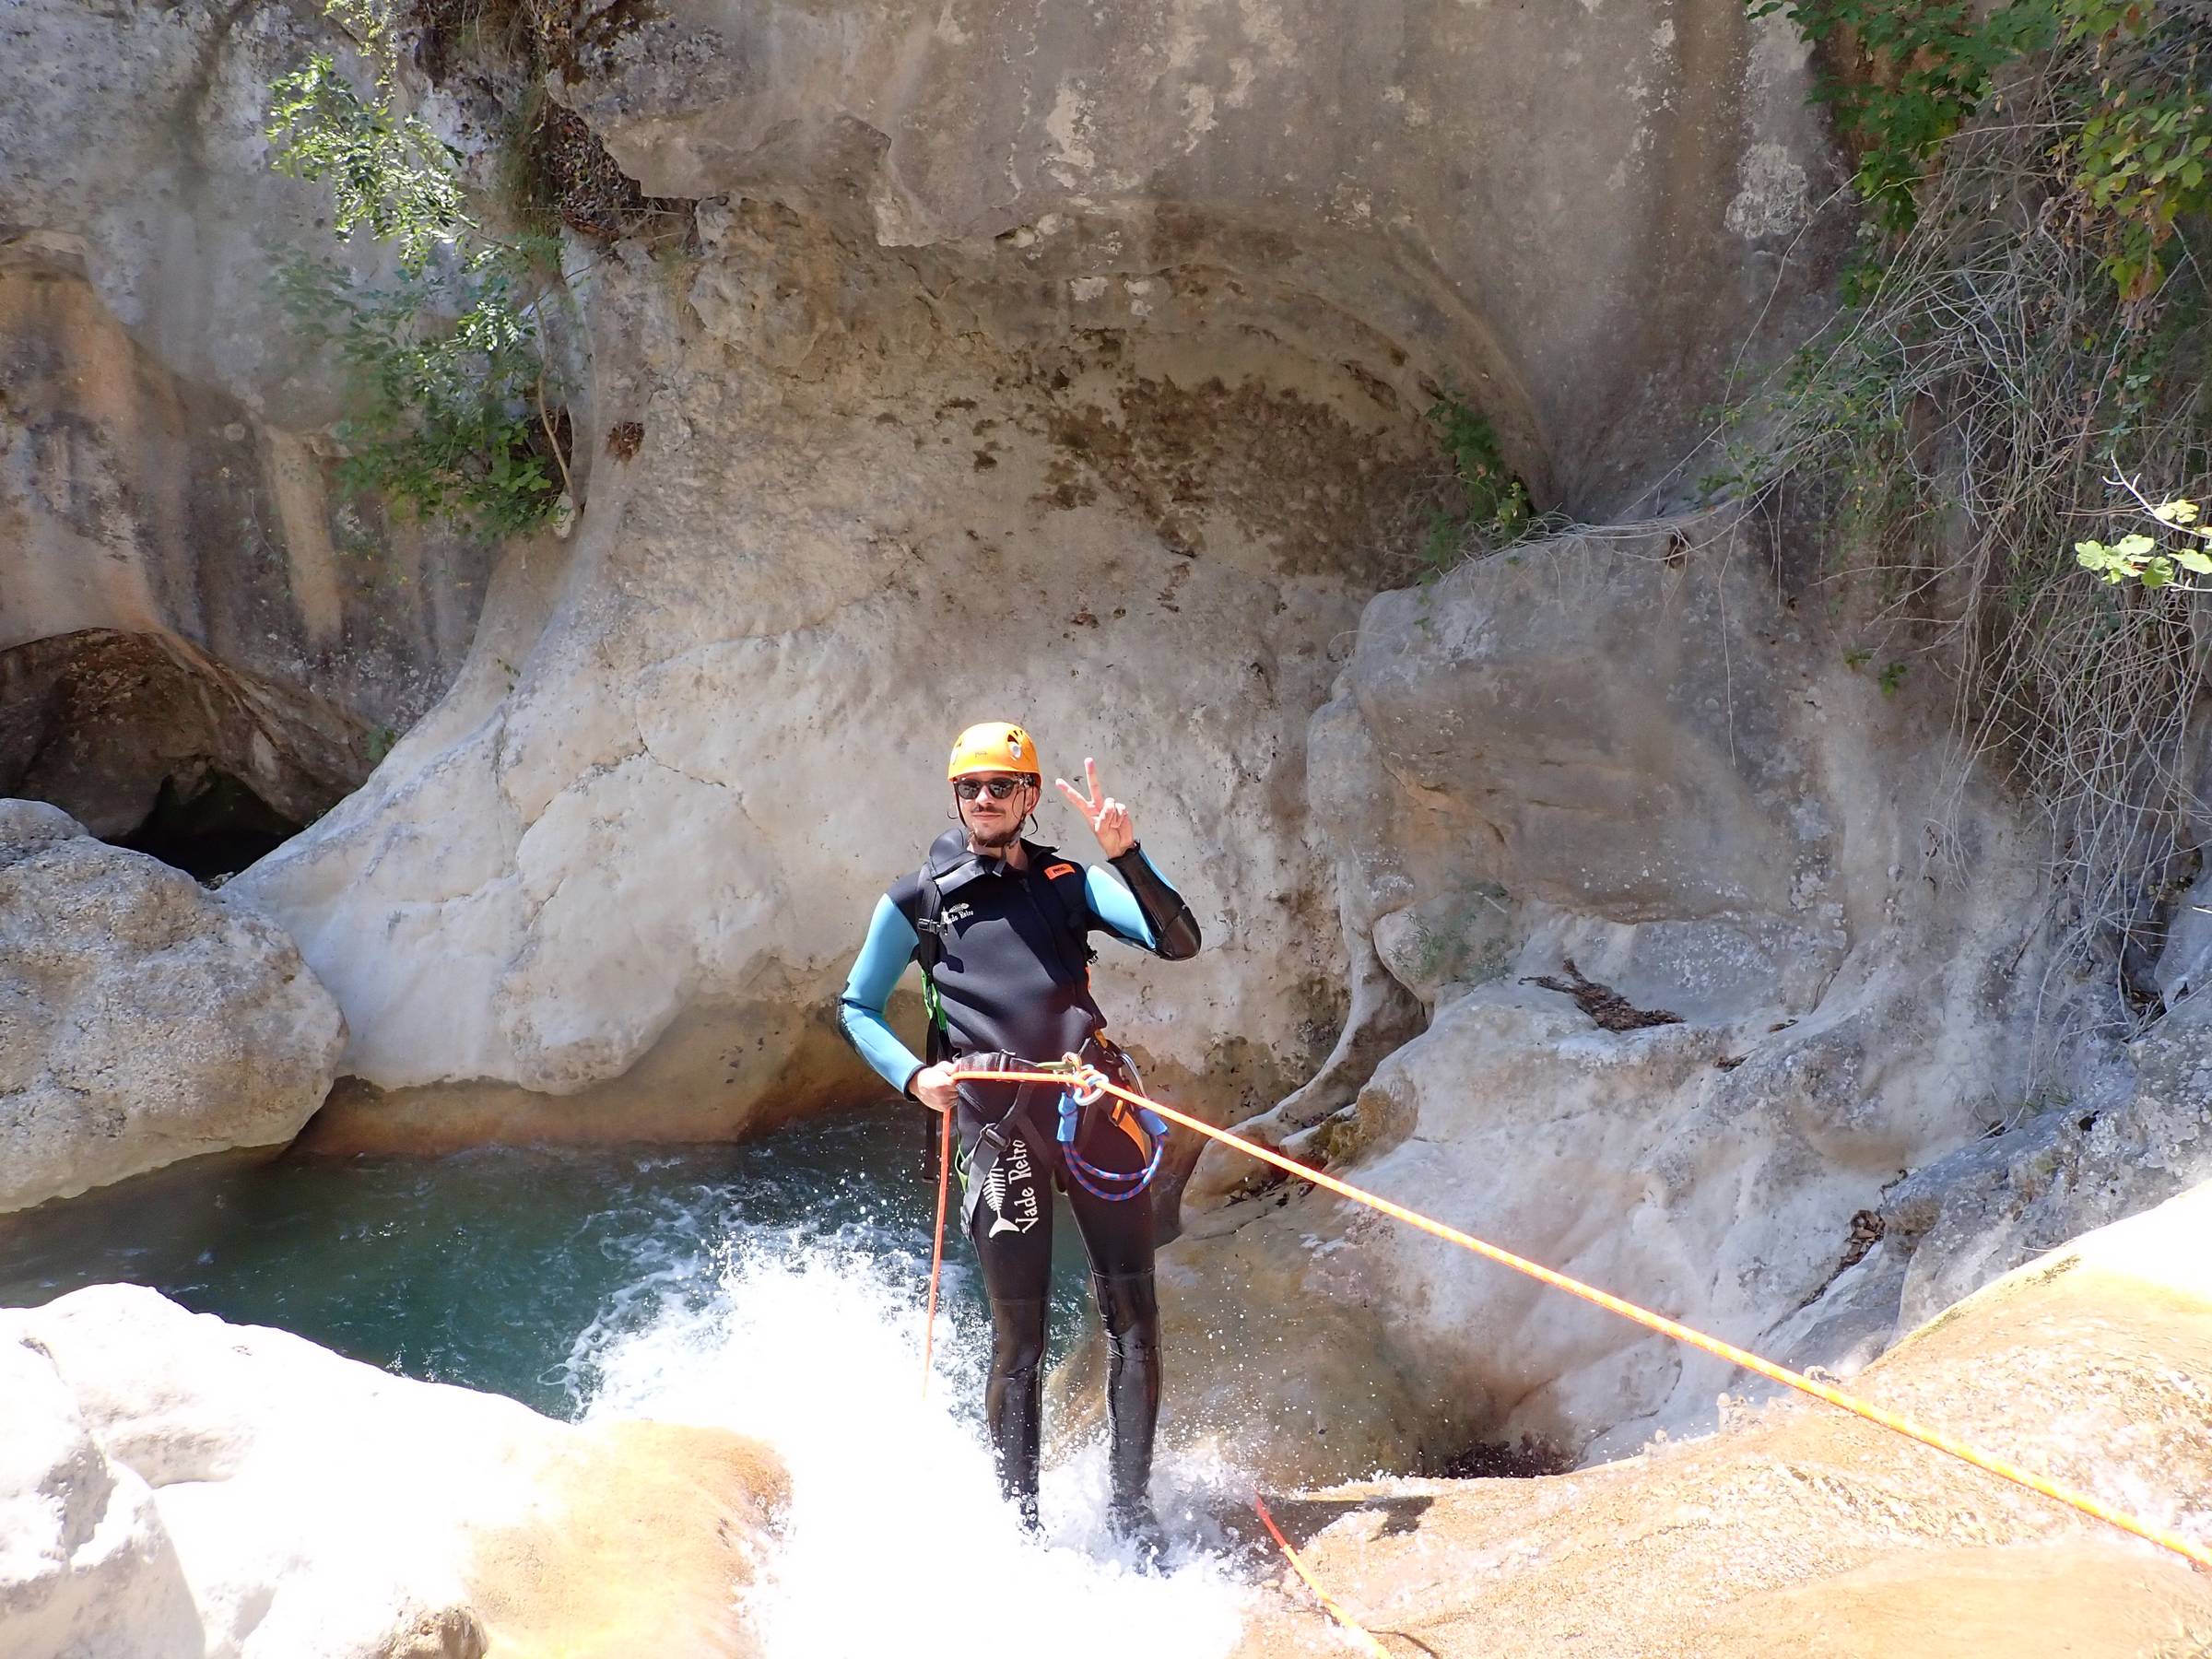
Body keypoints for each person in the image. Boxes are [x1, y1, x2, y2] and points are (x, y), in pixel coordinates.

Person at [837, 721, 1202, 1550]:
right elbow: (856, 1006)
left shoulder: (1072, 882)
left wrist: (1128, 855)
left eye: (1002, 786)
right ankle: (1022, 1536)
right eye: (970, 787)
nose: (985, 800)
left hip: (1093, 1105)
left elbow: (1179, 942)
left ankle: (1132, 1514)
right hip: (999, 1128)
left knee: (1134, 1316)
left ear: (1030, 795)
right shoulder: (919, 900)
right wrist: (913, 1076)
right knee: (1019, 1342)